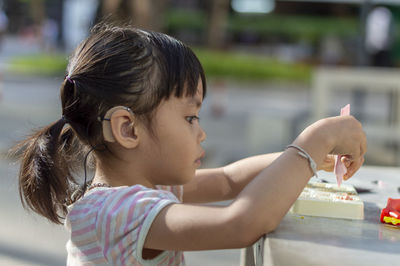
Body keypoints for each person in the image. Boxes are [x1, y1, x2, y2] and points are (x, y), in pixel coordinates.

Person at [14, 23, 366, 265]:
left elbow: (229, 179)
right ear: (128, 129)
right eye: (189, 118)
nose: (201, 132)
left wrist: (307, 158)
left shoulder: (146, 188)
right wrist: (315, 140)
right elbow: (240, 224)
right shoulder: (117, 213)